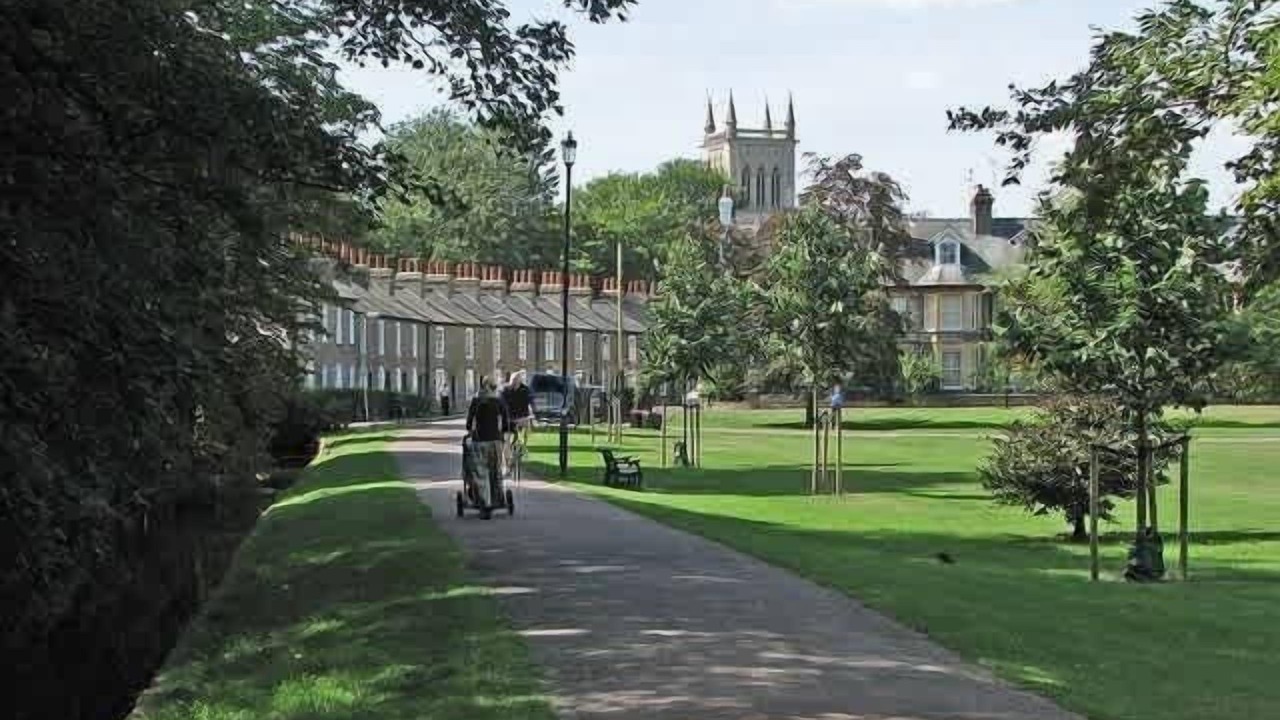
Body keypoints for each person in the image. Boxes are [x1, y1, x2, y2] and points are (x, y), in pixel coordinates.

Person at [465, 376, 511, 519]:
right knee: (495, 471)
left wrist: (470, 431)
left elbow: (469, 421)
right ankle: (498, 499)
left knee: (481, 472)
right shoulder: (499, 401)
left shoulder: (477, 400)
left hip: (480, 441)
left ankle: (486, 504)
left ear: (483, 386)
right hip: (496, 441)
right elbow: (505, 421)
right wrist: (503, 433)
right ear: (494, 387)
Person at [500, 370, 536, 460]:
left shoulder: (526, 390)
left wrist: (534, 413)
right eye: (512, 381)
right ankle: (506, 463)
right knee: (506, 440)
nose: (514, 383)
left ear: (520, 381)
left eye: (516, 381)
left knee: (525, 430)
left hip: (522, 417)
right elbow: (500, 403)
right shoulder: (505, 390)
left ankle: (523, 446)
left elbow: (532, 402)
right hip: (509, 418)